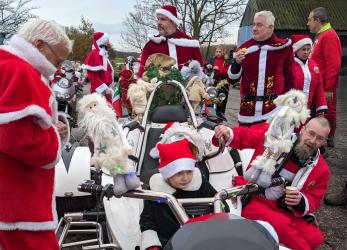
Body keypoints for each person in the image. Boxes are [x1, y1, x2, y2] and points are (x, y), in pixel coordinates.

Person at [0, 19, 71, 249]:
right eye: (57, 59)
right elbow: (18, 139)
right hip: (19, 199)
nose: (58, 67)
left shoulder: (7, 65)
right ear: (39, 45)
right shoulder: (20, 71)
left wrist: (54, 126)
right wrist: (54, 136)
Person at [214, 117, 331, 250]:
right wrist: (227, 132)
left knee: (314, 238)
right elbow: (247, 135)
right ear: (303, 130)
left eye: (319, 138)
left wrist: (301, 200)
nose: (313, 141)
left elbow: (315, 199)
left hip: (284, 208)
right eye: (311, 133)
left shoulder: (321, 168)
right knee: (284, 227)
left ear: (324, 142)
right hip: (254, 196)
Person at [140, 139, 220, 250]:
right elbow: (147, 222)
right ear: (167, 174)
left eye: (189, 171)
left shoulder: (201, 184)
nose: (186, 178)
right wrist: (152, 246)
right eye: (179, 173)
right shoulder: (155, 193)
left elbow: (219, 205)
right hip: (168, 243)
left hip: (201, 240)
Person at [228, 10, 296, 126]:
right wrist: (236, 63)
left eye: (259, 25)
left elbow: (290, 77)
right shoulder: (244, 49)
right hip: (247, 112)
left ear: (270, 28)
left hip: (273, 111)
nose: (254, 28)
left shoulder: (283, 47)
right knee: (244, 143)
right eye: (254, 24)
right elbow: (232, 79)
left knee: (269, 144)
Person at [138, 4, 204, 78]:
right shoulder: (150, 45)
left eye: (163, 19)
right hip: (158, 88)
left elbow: (200, 68)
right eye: (158, 19)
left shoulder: (189, 42)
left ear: (173, 22)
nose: (158, 22)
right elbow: (142, 73)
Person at [307, 7, 342, 147]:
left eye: (310, 20)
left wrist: (328, 89)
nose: (307, 23)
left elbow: (334, 64)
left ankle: (327, 139)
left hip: (325, 87)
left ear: (317, 20)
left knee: (327, 112)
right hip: (318, 86)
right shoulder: (321, 35)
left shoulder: (329, 36)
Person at [291, 34, 327, 115]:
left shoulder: (313, 65)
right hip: (291, 109)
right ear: (296, 50)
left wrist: (321, 106)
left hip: (310, 109)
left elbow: (319, 86)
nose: (306, 52)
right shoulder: (289, 65)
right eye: (303, 49)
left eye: (308, 49)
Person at [82, 32, 114, 99]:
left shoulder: (102, 54)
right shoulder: (94, 54)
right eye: (106, 41)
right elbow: (93, 77)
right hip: (99, 93)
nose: (107, 43)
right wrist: (104, 89)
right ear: (101, 41)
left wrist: (111, 85)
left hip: (107, 91)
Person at [207, 45, 230, 115]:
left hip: (223, 84)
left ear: (223, 52)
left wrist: (219, 70)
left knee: (221, 102)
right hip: (213, 83)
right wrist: (208, 66)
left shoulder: (226, 61)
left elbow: (228, 73)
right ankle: (210, 116)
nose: (218, 53)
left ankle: (219, 119)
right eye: (217, 51)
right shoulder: (212, 59)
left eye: (220, 52)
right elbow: (207, 70)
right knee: (210, 101)